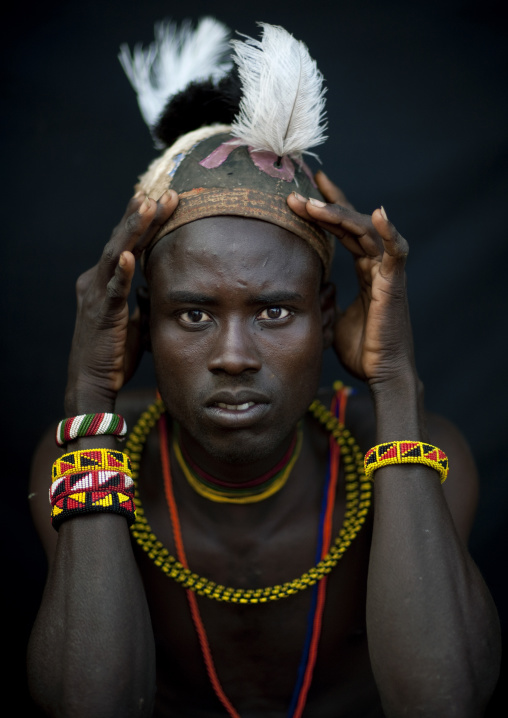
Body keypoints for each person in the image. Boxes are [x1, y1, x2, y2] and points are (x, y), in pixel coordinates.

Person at [27, 19, 500, 718]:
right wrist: (87, 395)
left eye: (275, 311)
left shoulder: (419, 449)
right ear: (141, 320)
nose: (234, 356)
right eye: (192, 315)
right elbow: (88, 706)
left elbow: (445, 702)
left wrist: (395, 382)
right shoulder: (92, 451)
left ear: (329, 312)